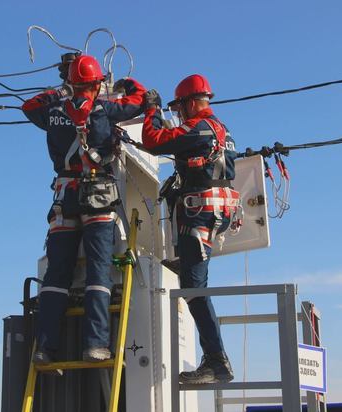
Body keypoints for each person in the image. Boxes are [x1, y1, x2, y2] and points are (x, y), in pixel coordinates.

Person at [22, 54, 146, 364]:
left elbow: (29, 106)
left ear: (71, 83)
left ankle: (45, 348)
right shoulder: (106, 110)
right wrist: (128, 84)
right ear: (96, 83)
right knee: (98, 272)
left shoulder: (54, 111)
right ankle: (94, 345)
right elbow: (140, 100)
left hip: (65, 197)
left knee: (56, 276)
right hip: (98, 196)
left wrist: (61, 91)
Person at [141, 74, 238, 384]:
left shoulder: (197, 129)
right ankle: (187, 264)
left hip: (200, 214)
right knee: (192, 276)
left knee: (194, 288)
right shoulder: (222, 129)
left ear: (191, 102)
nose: (179, 114)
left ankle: (216, 361)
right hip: (216, 212)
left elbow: (152, 142)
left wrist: (151, 112)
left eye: (180, 107)